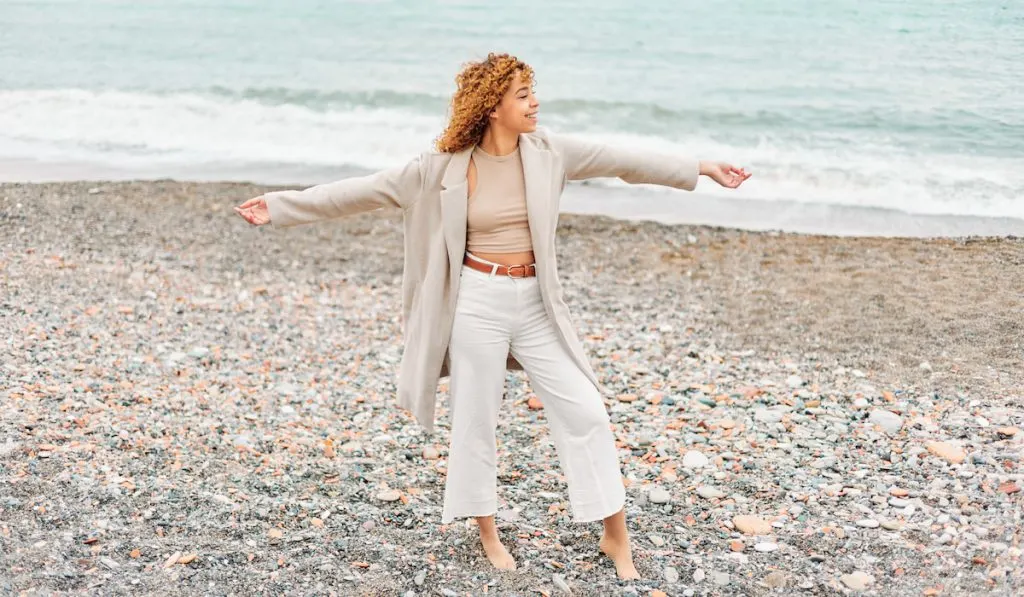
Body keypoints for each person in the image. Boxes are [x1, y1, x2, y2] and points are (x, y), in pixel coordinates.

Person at [235, 52, 750, 580]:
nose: (536, 102)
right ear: (493, 106)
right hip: (476, 301)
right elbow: (361, 192)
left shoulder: (550, 152)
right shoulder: (438, 170)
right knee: (475, 419)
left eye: (533, 91)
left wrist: (701, 168)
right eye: (523, 94)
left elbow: (623, 159)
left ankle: (614, 537)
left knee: (587, 412)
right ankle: (487, 531)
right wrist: (280, 206)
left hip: (535, 302)